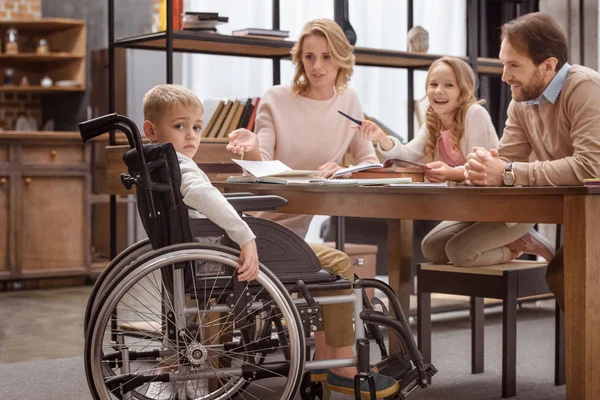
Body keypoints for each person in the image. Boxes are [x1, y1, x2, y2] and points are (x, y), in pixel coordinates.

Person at [227, 18, 399, 398]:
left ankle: (331, 364)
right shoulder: (276, 98)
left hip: (293, 234)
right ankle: (340, 368)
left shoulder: (348, 103)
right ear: (299, 60)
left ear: (341, 60)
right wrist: (252, 143)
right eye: (309, 57)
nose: (317, 66)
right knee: (338, 264)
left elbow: (367, 159)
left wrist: (346, 167)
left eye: (326, 56)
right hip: (261, 230)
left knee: (329, 264)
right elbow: (263, 159)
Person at [357, 56, 553, 267]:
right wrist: (381, 138)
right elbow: (408, 154)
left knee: (459, 253)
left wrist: (451, 173)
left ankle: (517, 246)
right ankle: (513, 241)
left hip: (507, 210)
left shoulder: (474, 114)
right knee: (432, 249)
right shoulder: (433, 120)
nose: (438, 91)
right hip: (474, 210)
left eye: (448, 85)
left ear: (463, 92)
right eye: (433, 84)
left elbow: (483, 170)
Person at [463, 12, 600, 311]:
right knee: (434, 247)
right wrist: (484, 166)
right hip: (575, 211)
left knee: (568, 275)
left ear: (548, 66)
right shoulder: (521, 99)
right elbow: (507, 159)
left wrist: (508, 172)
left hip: (592, 213)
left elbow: (591, 169)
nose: (504, 76)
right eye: (503, 63)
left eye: (514, 65)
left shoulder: (585, 88)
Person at [141, 84, 260, 398]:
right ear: (151, 130)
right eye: (180, 126)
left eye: (196, 127)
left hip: (192, 253)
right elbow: (200, 193)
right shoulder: (180, 166)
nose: (191, 135)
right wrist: (245, 235)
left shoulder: (157, 163)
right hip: (213, 257)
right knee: (328, 265)